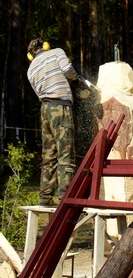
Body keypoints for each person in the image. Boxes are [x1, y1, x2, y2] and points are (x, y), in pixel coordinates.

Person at [26, 37, 87, 205]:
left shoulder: (30, 69)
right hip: (60, 107)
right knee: (66, 153)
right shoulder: (56, 52)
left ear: (30, 55)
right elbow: (67, 69)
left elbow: (41, 91)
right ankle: (65, 197)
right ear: (45, 46)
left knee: (49, 154)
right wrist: (76, 81)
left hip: (45, 110)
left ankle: (44, 198)